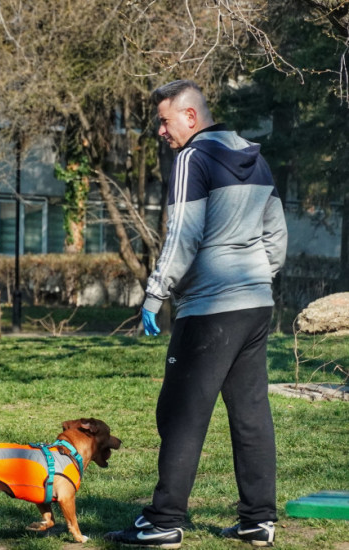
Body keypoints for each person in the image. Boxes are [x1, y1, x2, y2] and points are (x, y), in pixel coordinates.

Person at [104, 80, 287, 548]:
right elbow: (276, 233)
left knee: (181, 413)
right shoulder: (255, 157)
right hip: (255, 305)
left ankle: (164, 521)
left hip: (210, 309)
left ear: (190, 116)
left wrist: (155, 293)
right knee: (251, 413)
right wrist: (258, 278)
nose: (160, 131)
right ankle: (258, 520)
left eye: (164, 121)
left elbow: (183, 235)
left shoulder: (192, 158)